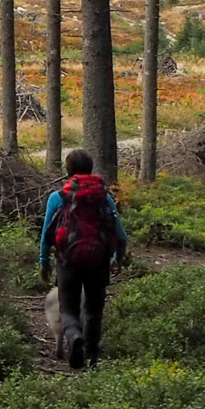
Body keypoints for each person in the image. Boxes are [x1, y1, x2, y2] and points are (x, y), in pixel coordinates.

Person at [38, 148, 128, 369]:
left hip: (67, 261)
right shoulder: (104, 197)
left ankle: (74, 338)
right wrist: (118, 257)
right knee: (94, 310)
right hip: (98, 261)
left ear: (68, 172)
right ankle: (92, 356)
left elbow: (46, 235)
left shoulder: (57, 197)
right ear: (90, 169)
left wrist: (44, 262)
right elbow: (121, 235)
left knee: (67, 308)